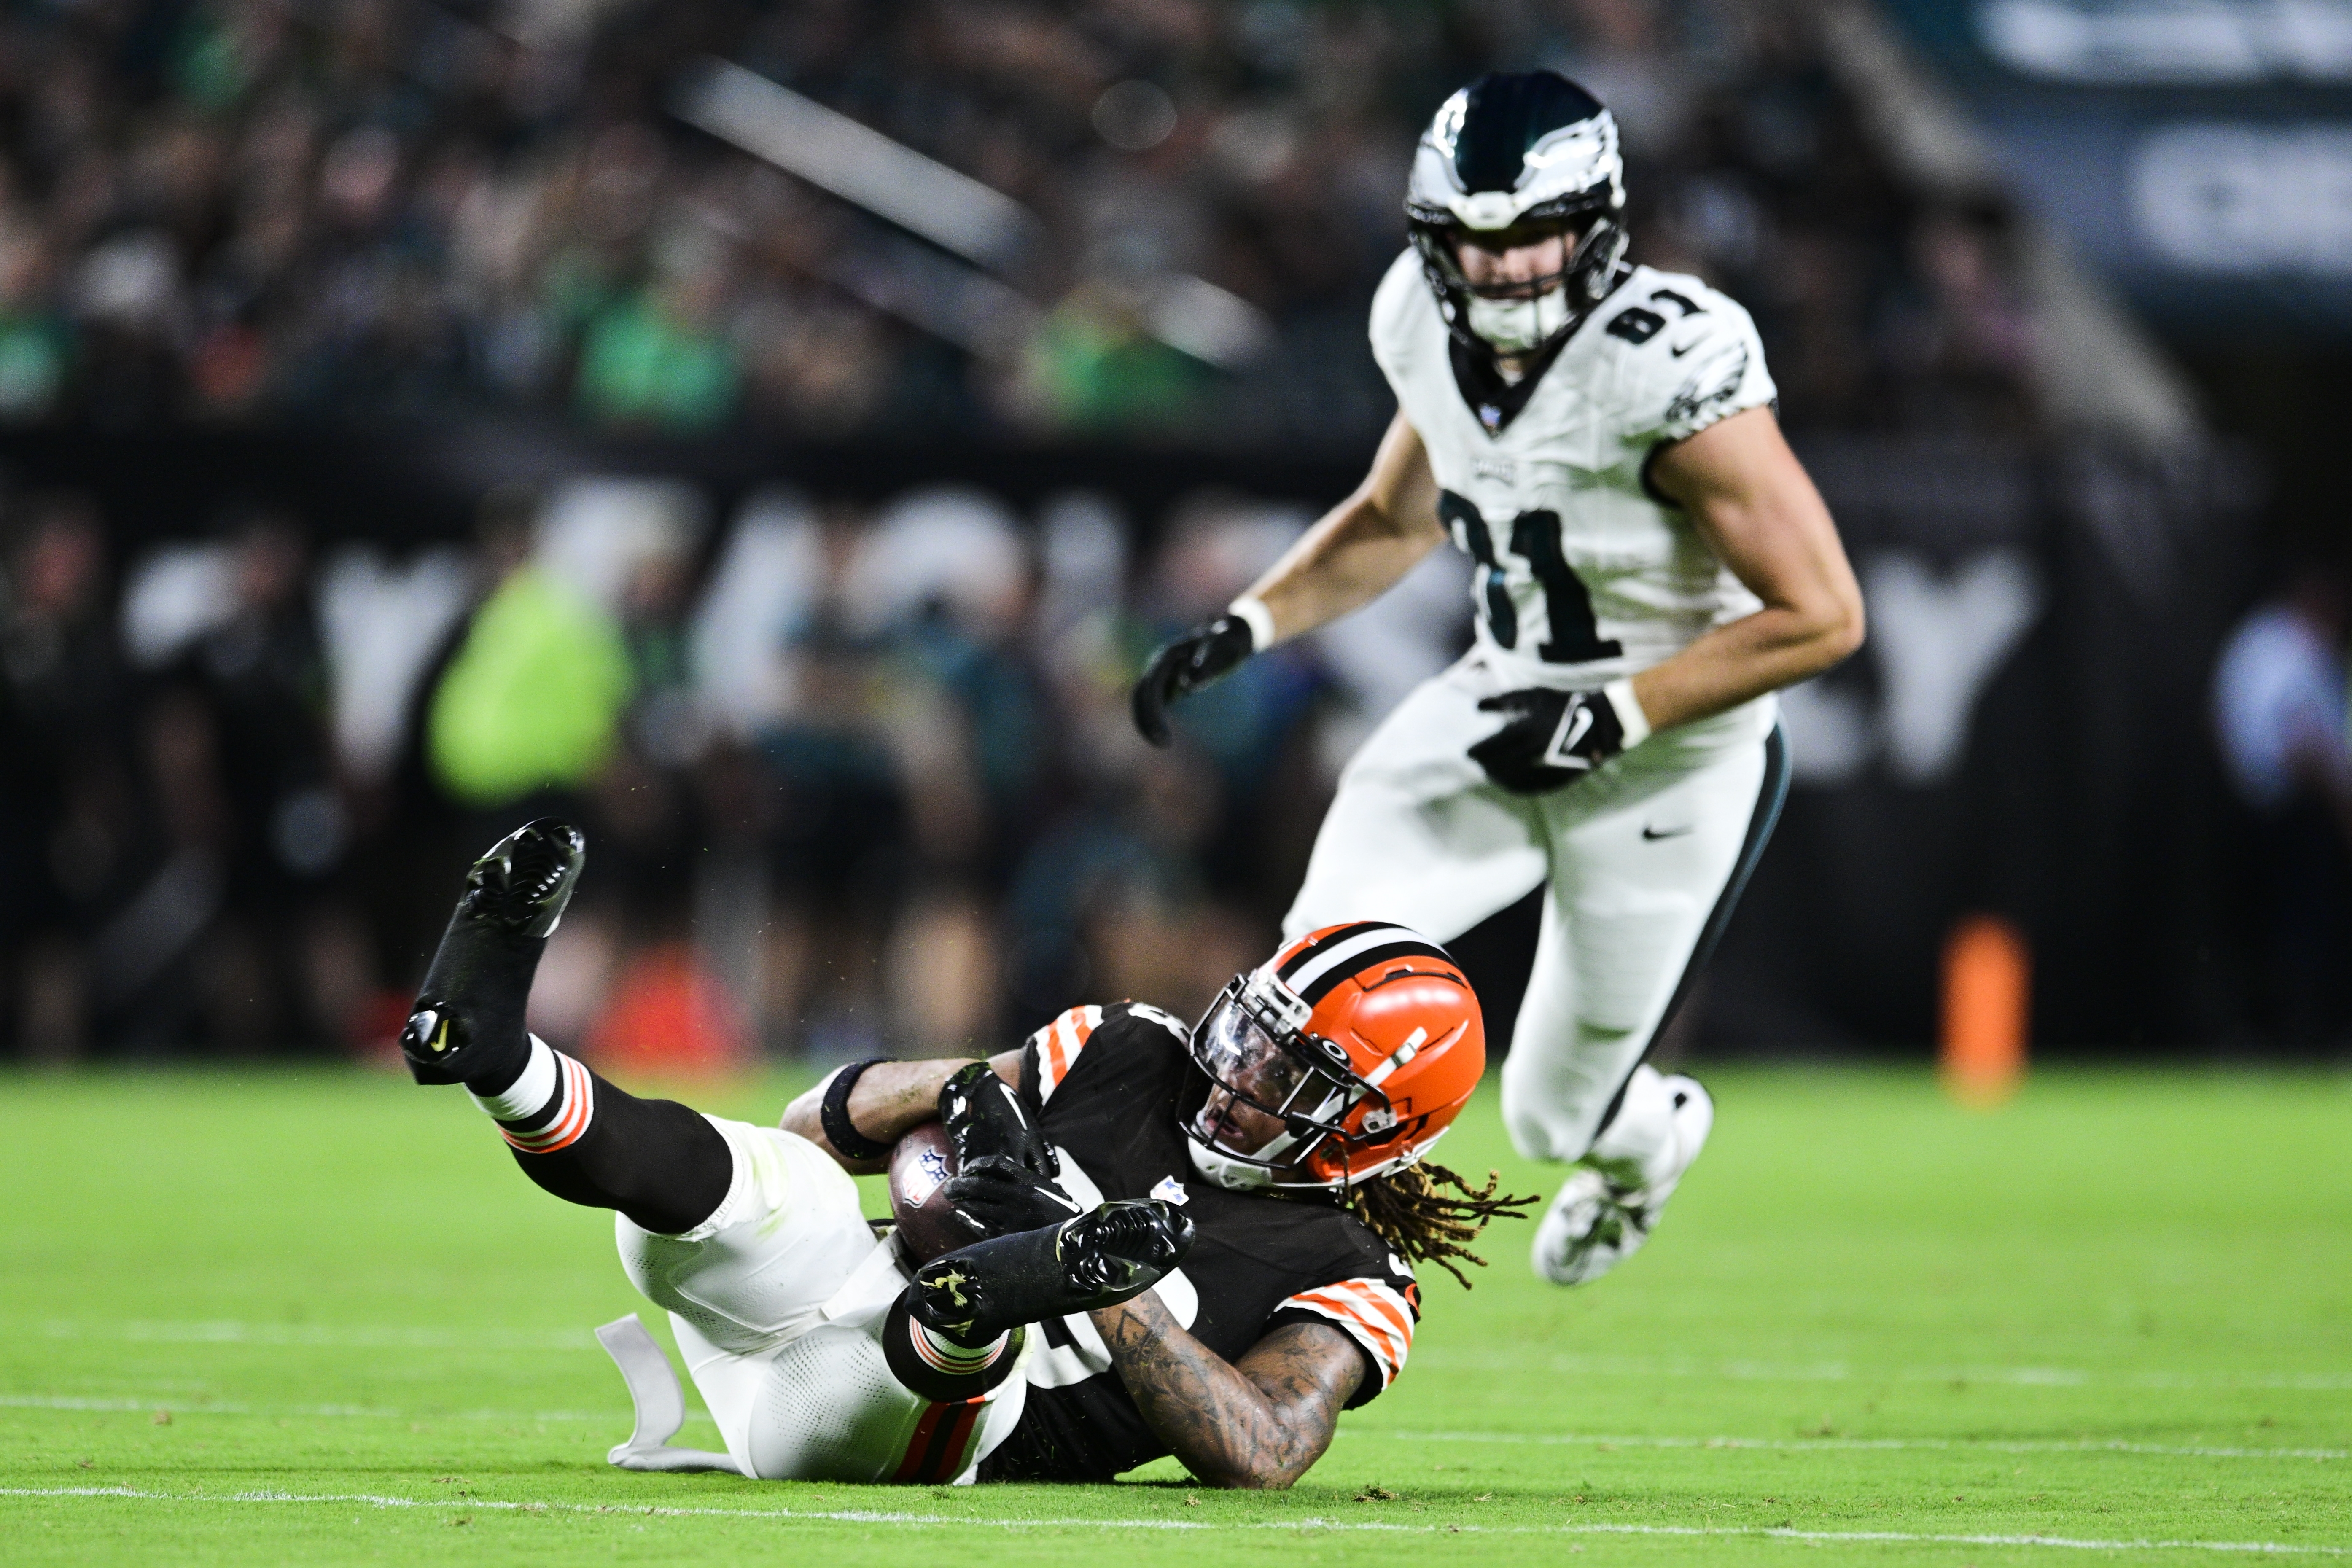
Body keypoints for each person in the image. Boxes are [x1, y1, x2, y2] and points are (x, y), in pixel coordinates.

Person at [1131, 72, 1865, 1288]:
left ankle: (1648, 1144)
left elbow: (1821, 616)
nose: (1504, 269)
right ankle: (1260, 1268)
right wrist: (1248, 625)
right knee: (1305, 992)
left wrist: (1614, 712)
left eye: (1531, 237)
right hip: (1503, 699)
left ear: (1597, 227)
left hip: (1668, 750)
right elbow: (1387, 517)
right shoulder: (1418, 319)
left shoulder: (1669, 358)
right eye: (1473, 242)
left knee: (1553, 1118)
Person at [398, 820, 1521, 1487]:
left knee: (970, 1337)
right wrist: (963, 1085)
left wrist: (1115, 1300)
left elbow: (1265, 1450)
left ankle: (1012, 1283)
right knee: (758, 1184)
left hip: (893, 1415)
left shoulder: (1352, 1275)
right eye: (1250, 1031)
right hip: (830, 1285)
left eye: (1288, 1075)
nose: (1237, 1072)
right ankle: (500, 1056)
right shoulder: (1129, 1046)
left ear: (1379, 1123)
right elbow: (811, 1130)